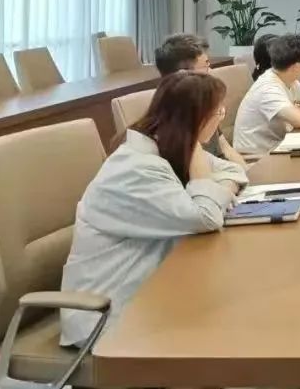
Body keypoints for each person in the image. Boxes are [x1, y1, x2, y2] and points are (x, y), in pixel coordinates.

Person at [60, 72, 247, 346]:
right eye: (218, 111)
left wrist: (216, 185)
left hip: (154, 290)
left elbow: (234, 171)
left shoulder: (168, 147)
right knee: (231, 328)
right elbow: (206, 217)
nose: (221, 117)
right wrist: (208, 181)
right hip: (107, 314)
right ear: (198, 118)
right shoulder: (136, 168)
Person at [154, 33, 246, 168]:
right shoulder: (170, 121)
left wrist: (247, 174)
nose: (211, 71)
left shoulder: (202, 102)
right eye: (206, 66)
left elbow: (225, 148)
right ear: (183, 75)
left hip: (228, 173)